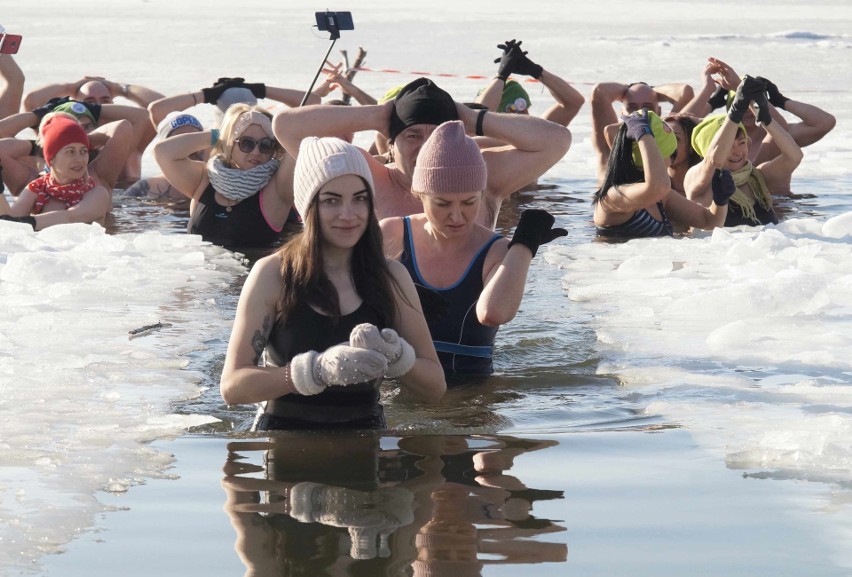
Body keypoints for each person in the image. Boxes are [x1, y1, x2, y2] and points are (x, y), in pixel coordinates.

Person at [219, 136, 446, 430]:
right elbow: (233, 387)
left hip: (365, 443)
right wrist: (317, 371)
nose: (348, 215)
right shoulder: (273, 275)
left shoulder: (390, 278)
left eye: (359, 199)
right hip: (284, 444)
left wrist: (397, 356)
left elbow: (435, 386)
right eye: (331, 200)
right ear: (307, 208)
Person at [380, 120, 566, 377]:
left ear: (481, 194)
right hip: (395, 382)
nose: (457, 216)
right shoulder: (390, 234)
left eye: (469, 202)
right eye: (442, 203)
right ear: (419, 193)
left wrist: (523, 247)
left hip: (469, 394)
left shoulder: (496, 250)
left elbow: (493, 313)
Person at [274, 77, 571, 229]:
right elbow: (286, 126)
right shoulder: (364, 176)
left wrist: (472, 119)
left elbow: (557, 140)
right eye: (412, 135)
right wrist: (379, 116)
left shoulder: (483, 178)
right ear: (391, 144)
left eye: (438, 135)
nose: (427, 146)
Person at [153, 103, 295, 249]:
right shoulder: (205, 179)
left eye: (265, 145)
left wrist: (279, 134)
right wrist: (220, 134)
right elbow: (162, 152)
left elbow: (300, 135)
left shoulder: (277, 188)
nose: (256, 152)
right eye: (246, 143)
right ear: (229, 143)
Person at [684, 57, 833, 195]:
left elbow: (825, 122)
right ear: (732, 107)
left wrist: (780, 100)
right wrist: (710, 97)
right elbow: (679, 125)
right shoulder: (715, 137)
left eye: (751, 105)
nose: (748, 112)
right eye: (742, 105)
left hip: (778, 206)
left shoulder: (780, 135)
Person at [684, 76, 803, 227]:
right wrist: (736, 110)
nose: (737, 151)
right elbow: (714, 161)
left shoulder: (758, 177)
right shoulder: (699, 183)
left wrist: (766, 119)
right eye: (728, 146)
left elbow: (794, 157)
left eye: (741, 143)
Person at [593, 109, 732, 238]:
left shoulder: (662, 197)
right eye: (671, 153)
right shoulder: (614, 197)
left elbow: (709, 221)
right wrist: (643, 134)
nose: (672, 159)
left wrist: (720, 201)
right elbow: (657, 187)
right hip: (616, 264)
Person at [0, 114, 110, 230]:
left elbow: (70, 218)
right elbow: (9, 225)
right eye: (71, 152)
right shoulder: (37, 188)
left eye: (83, 151)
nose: (79, 159)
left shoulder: (98, 194)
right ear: (51, 159)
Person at [591, 78, 694, 182]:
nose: (640, 113)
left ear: (658, 112)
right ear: (622, 113)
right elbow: (601, 91)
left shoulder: (667, 137)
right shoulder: (610, 144)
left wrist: (649, 90)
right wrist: (633, 88)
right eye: (632, 108)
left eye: (647, 108)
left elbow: (684, 92)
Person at [475, 39, 585, 128]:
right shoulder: (479, 145)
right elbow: (477, 117)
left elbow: (574, 103)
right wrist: (501, 76)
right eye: (513, 109)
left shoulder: (540, 137)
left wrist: (537, 72)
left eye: (524, 107)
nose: (523, 115)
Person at [121, 111, 205, 201]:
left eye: (195, 138)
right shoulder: (145, 188)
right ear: (164, 147)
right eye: (181, 140)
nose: (189, 145)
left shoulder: (218, 181)